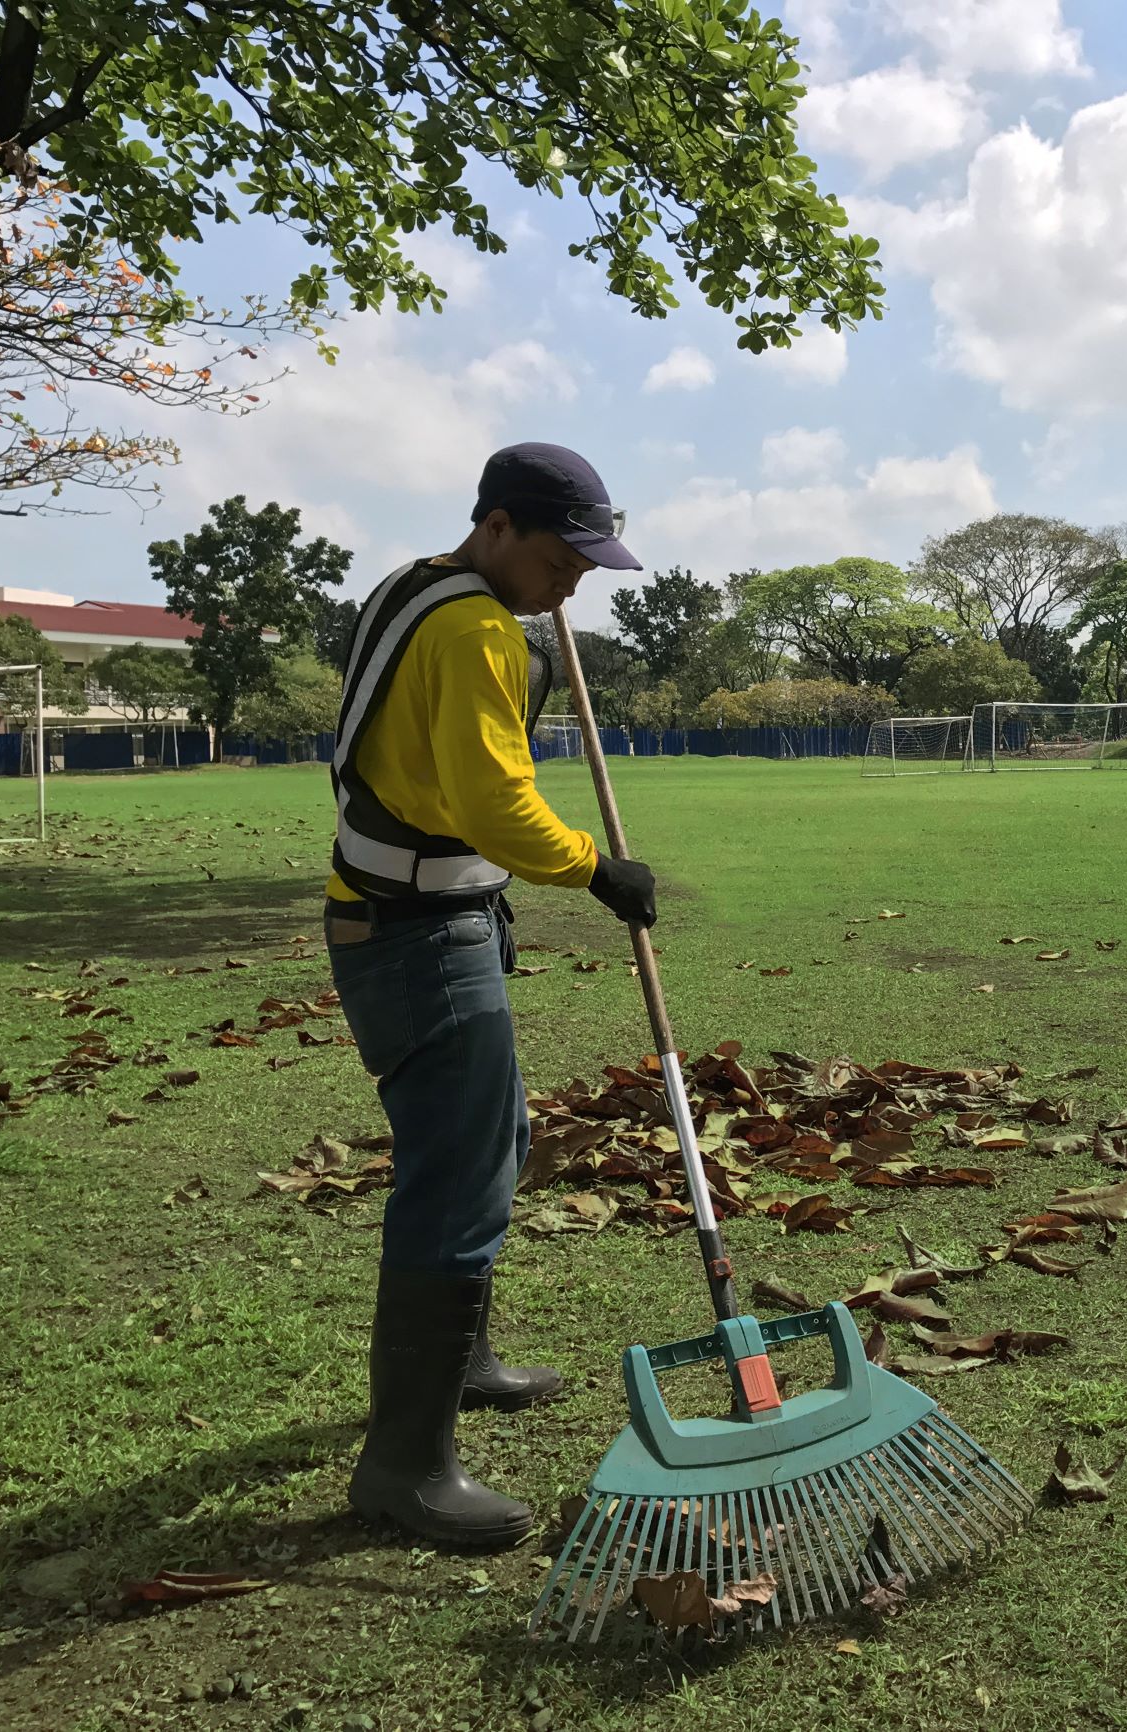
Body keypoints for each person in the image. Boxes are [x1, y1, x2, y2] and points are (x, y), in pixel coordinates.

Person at [323, 442, 658, 1548]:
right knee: (455, 1174)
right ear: (501, 525)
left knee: (492, 1141)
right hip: (414, 931)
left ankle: (461, 1362)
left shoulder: (419, 588)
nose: (575, 580)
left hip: (423, 914)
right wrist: (594, 866)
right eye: (566, 555)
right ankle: (403, 1468)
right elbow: (490, 802)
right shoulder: (470, 624)